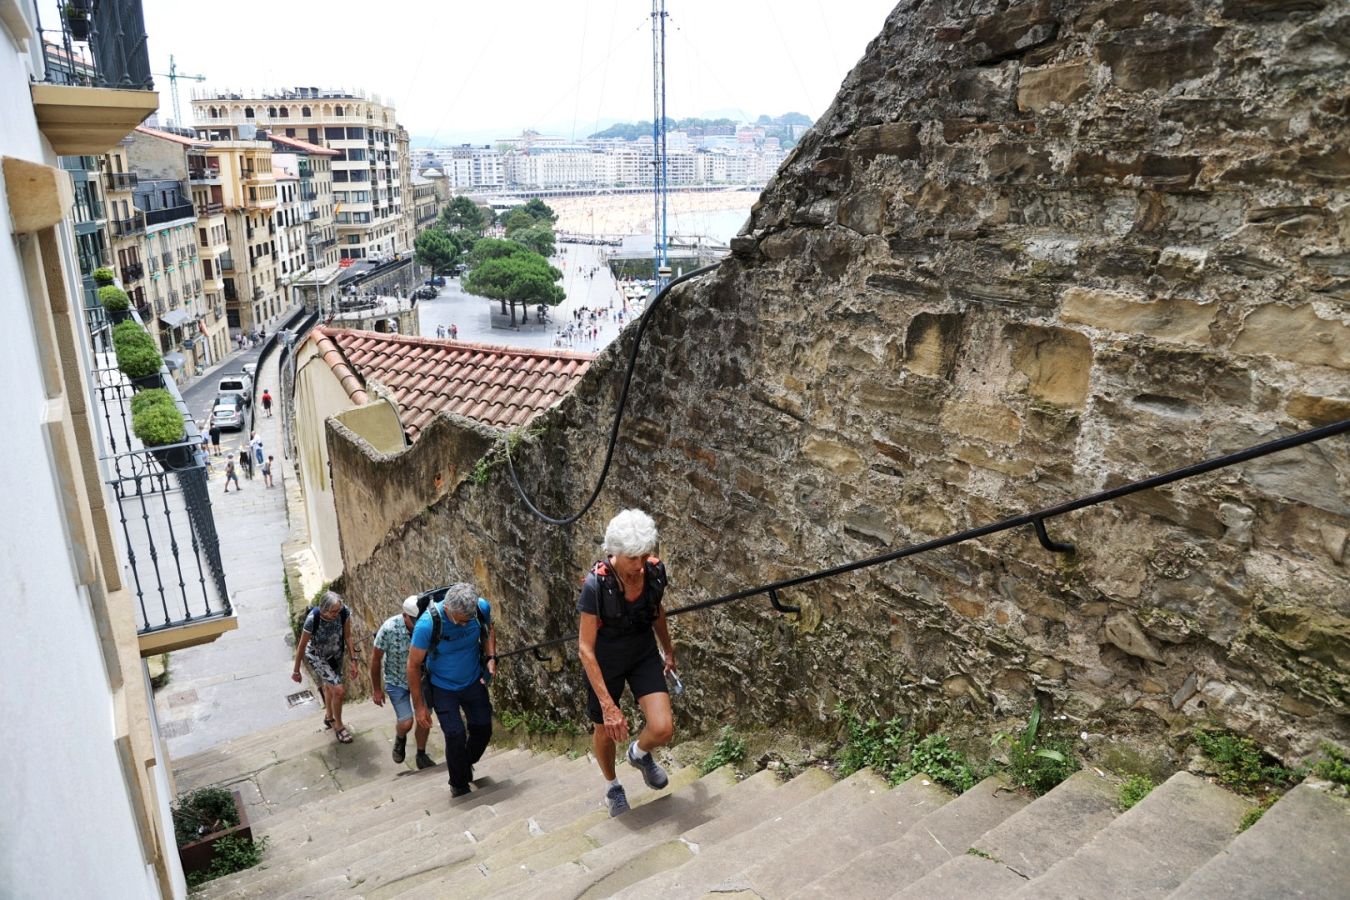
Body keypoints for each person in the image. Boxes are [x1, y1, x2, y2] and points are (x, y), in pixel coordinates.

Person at [577, 509, 677, 817]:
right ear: (614, 553)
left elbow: (656, 610)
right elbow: (585, 648)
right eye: (633, 558)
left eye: (644, 556)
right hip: (605, 661)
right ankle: (613, 787)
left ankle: (639, 753)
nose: (639, 564)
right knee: (604, 731)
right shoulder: (596, 586)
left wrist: (668, 650)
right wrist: (609, 706)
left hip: (642, 651)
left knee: (663, 728)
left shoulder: (654, 572)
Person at [408, 583, 496, 797]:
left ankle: (464, 763)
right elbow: (412, 665)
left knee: (483, 729)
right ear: (447, 608)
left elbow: (489, 630)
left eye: (469, 619)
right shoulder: (427, 625)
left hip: (473, 680)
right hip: (442, 686)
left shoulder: (480, 609)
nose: (465, 625)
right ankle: (459, 784)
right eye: (461, 620)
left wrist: (491, 657)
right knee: (455, 734)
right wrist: (419, 707)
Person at [372, 596, 436, 769]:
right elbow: (376, 659)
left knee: (424, 717)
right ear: (405, 616)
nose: (417, 624)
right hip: (396, 680)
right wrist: (377, 689)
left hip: (420, 678)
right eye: (413, 620)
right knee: (406, 722)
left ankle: (421, 754)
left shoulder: (428, 625)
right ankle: (400, 738)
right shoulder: (388, 629)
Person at [292, 591, 360, 743]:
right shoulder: (312, 620)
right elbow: (302, 647)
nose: (337, 614)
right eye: (333, 611)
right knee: (338, 690)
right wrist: (296, 670)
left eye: (338, 610)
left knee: (329, 686)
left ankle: (329, 717)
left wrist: (354, 660)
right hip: (318, 656)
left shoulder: (344, 612)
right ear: (323, 609)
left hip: (336, 654)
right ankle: (339, 726)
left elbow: (348, 636)